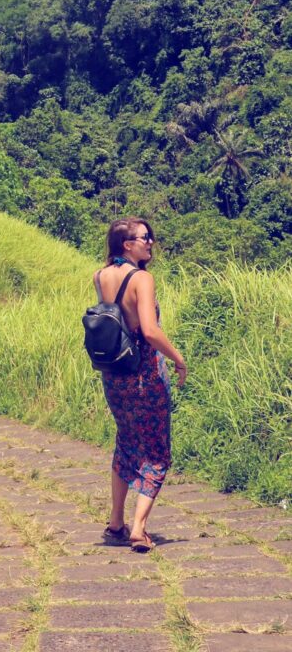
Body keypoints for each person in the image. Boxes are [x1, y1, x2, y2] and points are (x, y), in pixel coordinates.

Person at [95, 218, 187, 553]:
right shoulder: (142, 279)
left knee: (126, 441)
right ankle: (139, 528)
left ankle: (116, 522)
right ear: (126, 245)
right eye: (144, 238)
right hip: (145, 375)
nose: (151, 243)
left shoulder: (101, 276)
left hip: (113, 374)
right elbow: (148, 330)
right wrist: (178, 358)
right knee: (157, 452)